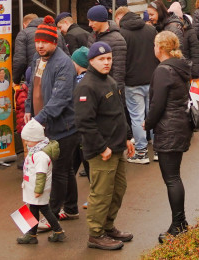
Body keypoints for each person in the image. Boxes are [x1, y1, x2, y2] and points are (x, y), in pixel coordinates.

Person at [73, 41, 136, 251]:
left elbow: (119, 112)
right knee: (101, 193)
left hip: (117, 147)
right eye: (101, 59)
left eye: (109, 58)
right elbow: (84, 122)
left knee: (118, 190)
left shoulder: (109, 80)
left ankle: (108, 227)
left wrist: (128, 137)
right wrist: (101, 147)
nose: (106, 62)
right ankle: (96, 234)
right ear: (91, 61)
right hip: (102, 152)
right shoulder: (86, 86)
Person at [24, 22, 80, 221]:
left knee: (57, 171)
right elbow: (32, 85)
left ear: (55, 43)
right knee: (66, 169)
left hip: (63, 127)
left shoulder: (63, 63)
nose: (40, 46)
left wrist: (38, 120)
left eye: (45, 42)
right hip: (43, 124)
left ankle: (52, 215)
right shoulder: (36, 59)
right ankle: (72, 208)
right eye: (38, 41)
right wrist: (29, 108)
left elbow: (61, 98)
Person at [145, 31, 194, 243]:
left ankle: (178, 226)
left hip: (169, 127)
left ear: (161, 48)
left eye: (155, 45)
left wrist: (148, 124)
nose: (153, 49)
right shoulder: (180, 66)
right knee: (175, 176)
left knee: (172, 178)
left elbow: (157, 104)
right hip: (180, 124)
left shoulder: (163, 70)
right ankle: (181, 223)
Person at [117, 5, 159, 164]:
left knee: (136, 117)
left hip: (132, 82)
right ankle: (158, 150)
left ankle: (141, 152)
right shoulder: (151, 31)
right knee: (153, 115)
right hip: (151, 79)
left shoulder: (122, 34)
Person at [17, 119, 64, 244]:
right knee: (35, 210)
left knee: (44, 211)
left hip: (37, 189)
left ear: (37, 139)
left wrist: (38, 190)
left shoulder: (40, 155)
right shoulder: (35, 152)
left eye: (28, 140)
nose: (26, 143)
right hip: (32, 187)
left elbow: (41, 174)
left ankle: (56, 231)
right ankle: (33, 234)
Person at [88, 4, 128, 91]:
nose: (89, 24)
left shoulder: (117, 40)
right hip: (94, 86)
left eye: (92, 21)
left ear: (100, 20)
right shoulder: (92, 36)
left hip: (109, 89)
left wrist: (116, 92)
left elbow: (119, 71)